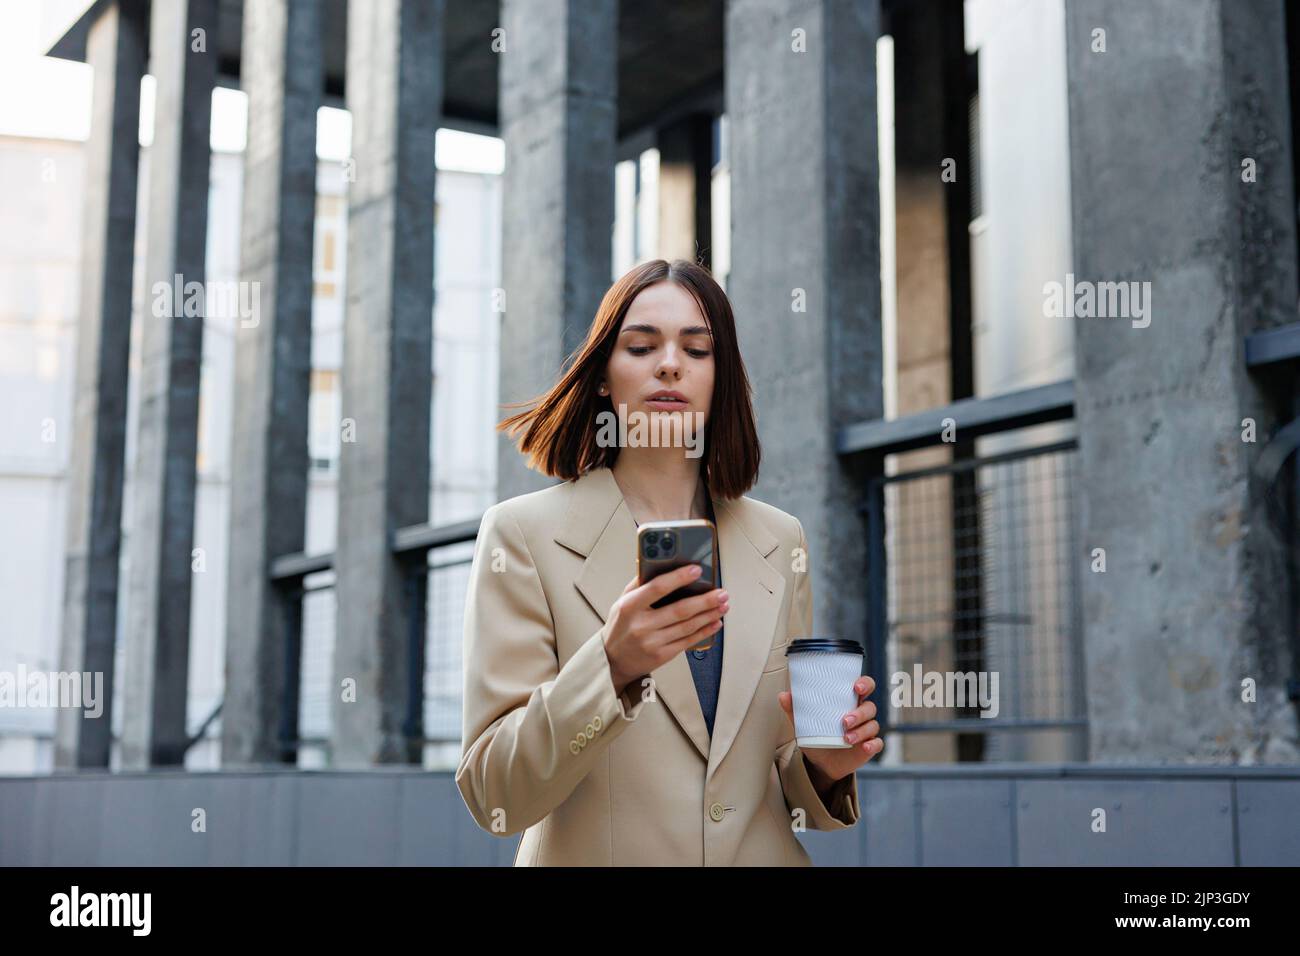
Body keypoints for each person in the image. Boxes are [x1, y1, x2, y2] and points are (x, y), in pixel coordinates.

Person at [455, 258, 883, 865]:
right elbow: (496, 794)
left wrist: (822, 767)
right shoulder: (523, 536)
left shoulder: (778, 539)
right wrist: (611, 665)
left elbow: (777, 778)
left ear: (721, 378)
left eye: (697, 349)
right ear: (604, 374)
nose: (670, 364)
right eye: (641, 345)